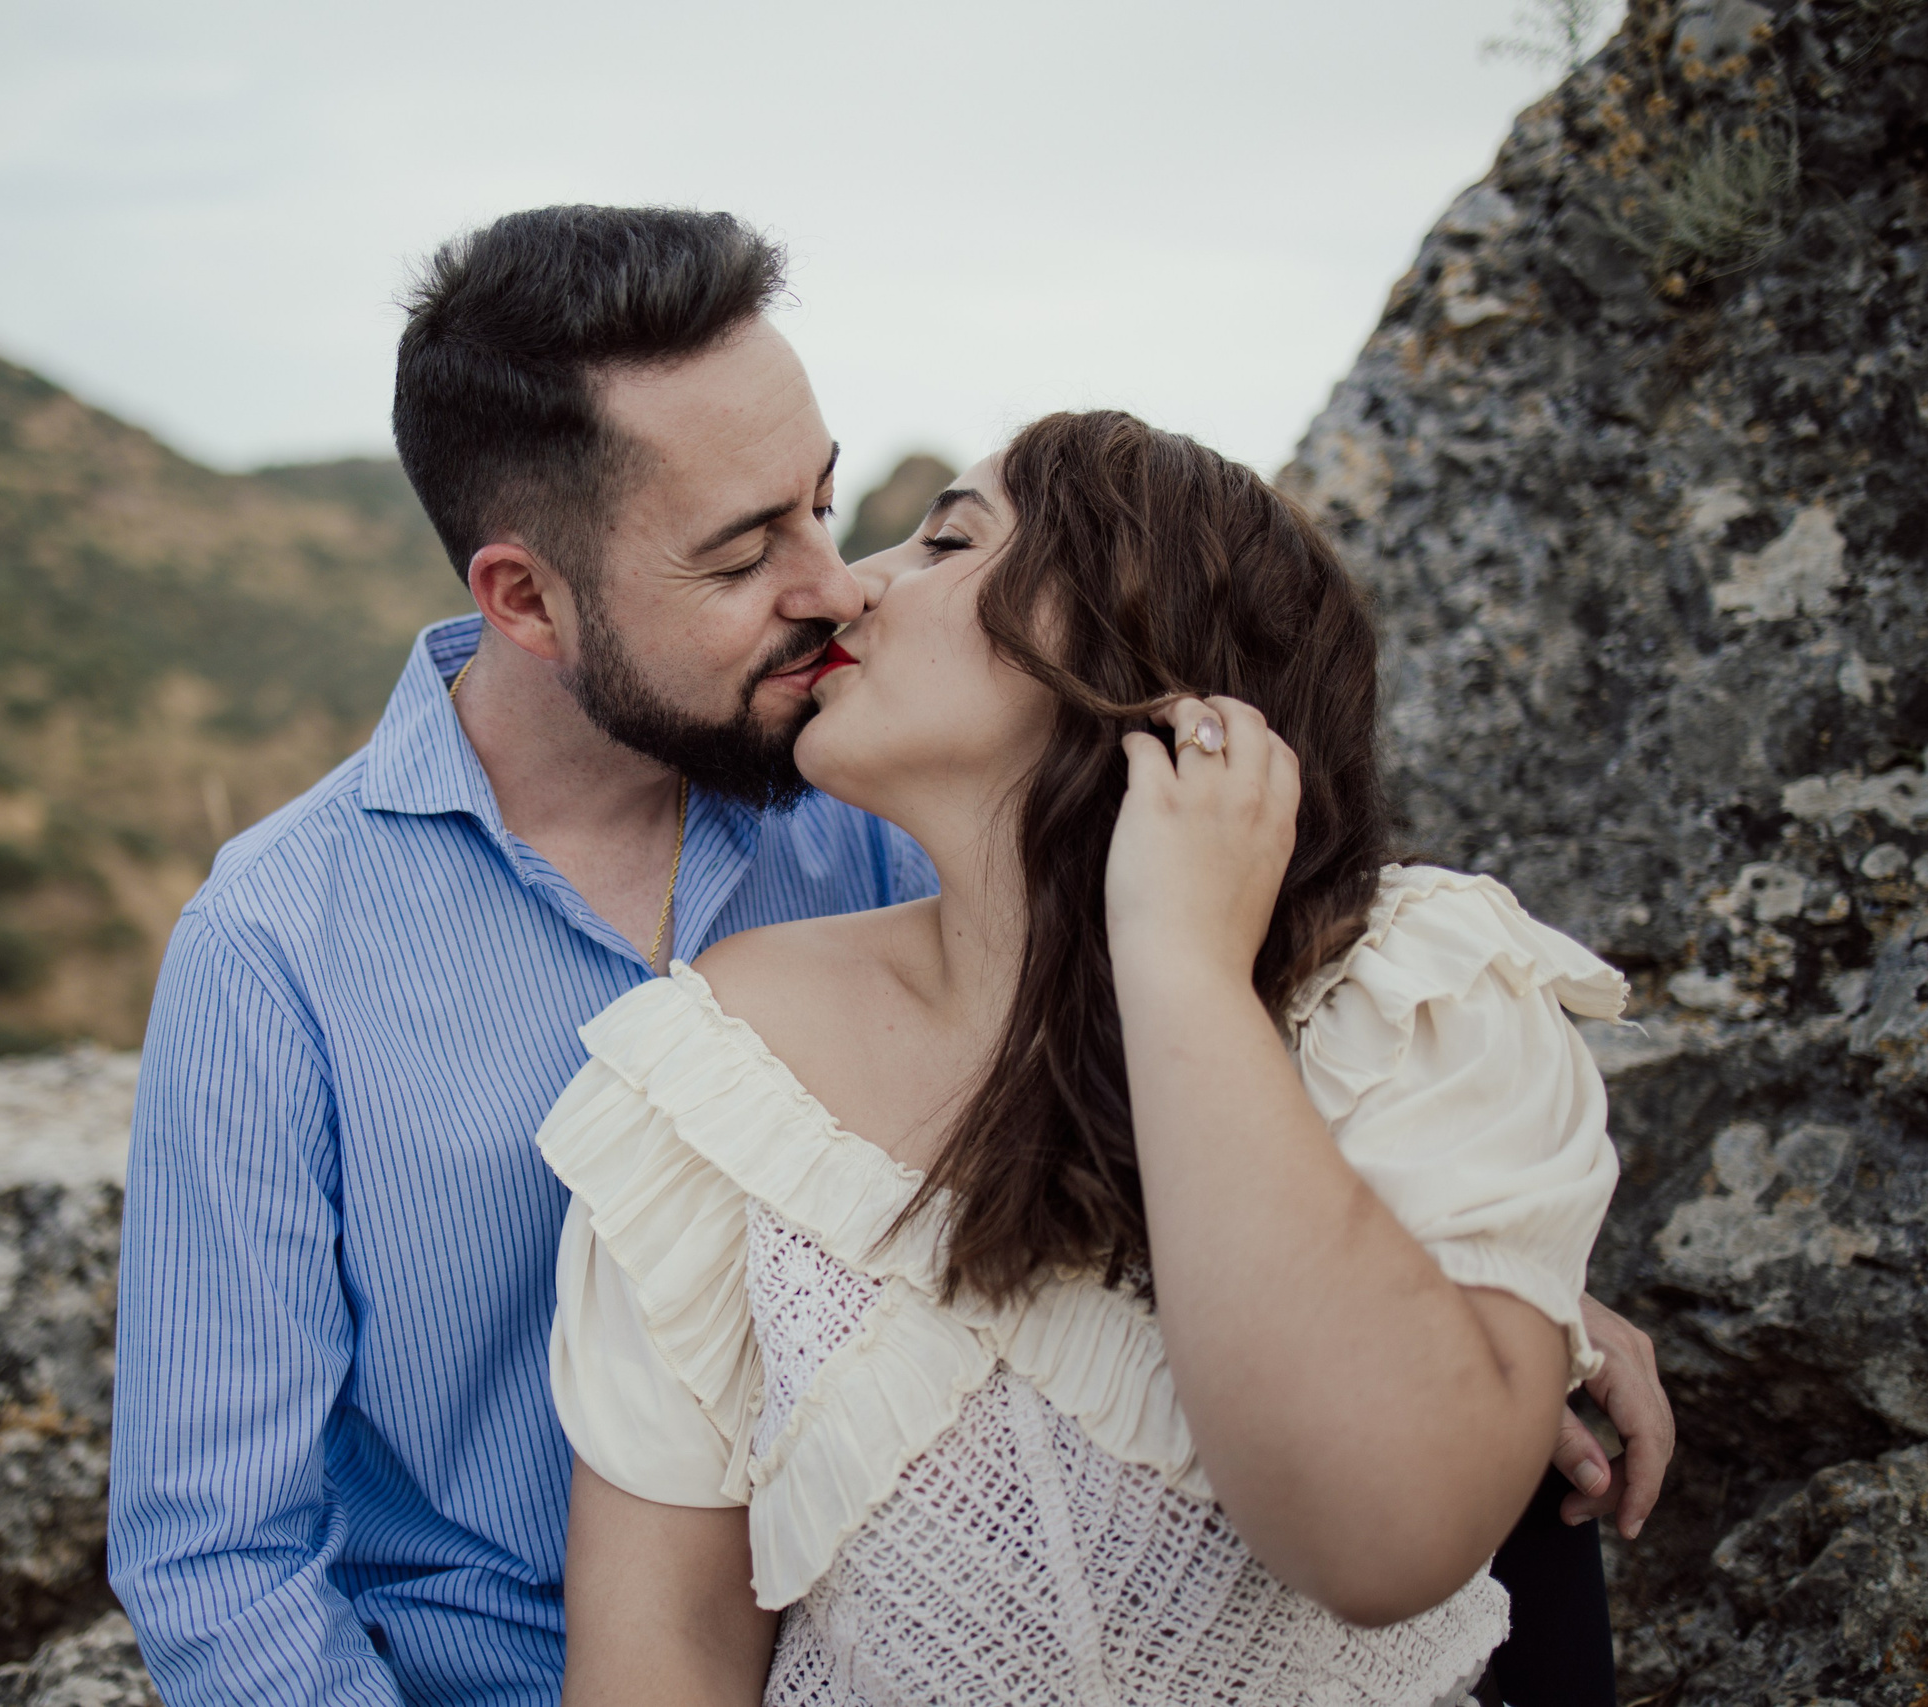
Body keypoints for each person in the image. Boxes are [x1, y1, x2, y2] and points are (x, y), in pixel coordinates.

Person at [107, 206, 1670, 1707]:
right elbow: (217, 1549)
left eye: (826, 504)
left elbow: (1146, 1025)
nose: (832, 584)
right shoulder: (278, 945)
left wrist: (1499, 1298)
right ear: (525, 599)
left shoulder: (859, 797)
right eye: (740, 557)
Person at [541, 410, 1640, 1705]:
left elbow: (1384, 1539)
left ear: (1138, 633)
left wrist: (1181, 968)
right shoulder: (715, 1061)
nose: (850, 585)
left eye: (949, 537)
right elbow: (663, 1644)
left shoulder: (1417, 990)